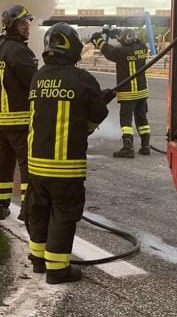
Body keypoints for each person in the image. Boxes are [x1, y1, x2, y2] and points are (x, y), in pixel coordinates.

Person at [27, 23, 115, 284]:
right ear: (72, 48)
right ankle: (57, 270)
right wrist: (88, 121)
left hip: (36, 164)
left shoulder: (38, 77)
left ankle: (38, 260)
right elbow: (98, 113)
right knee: (64, 214)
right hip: (65, 166)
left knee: (39, 211)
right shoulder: (82, 79)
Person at [0, 5, 38, 221]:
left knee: (3, 162)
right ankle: (27, 208)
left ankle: (1, 205)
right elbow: (33, 83)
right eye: (22, 23)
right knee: (27, 163)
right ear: (11, 25)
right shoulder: (18, 51)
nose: (27, 27)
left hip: (0, 120)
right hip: (19, 119)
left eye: (28, 22)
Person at [90, 27, 150, 157]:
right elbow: (134, 42)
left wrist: (98, 39)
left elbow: (107, 50)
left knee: (126, 121)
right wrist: (117, 35)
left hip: (128, 93)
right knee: (142, 119)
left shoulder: (121, 52)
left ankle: (128, 148)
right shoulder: (143, 48)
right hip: (142, 93)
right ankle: (146, 146)